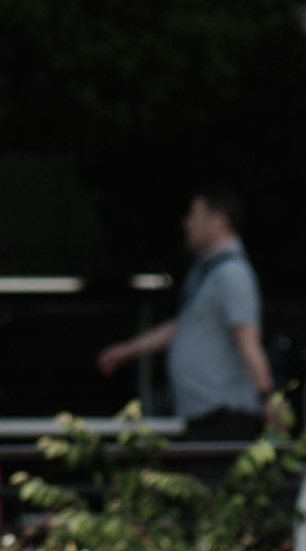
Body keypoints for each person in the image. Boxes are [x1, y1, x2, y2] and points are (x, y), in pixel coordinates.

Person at [97, 189, 282, 440]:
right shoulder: (205, 272)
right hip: (202, 414)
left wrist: (267, 398)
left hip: (224, 414)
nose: (187, 223)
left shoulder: (232, 273)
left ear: (218, 219)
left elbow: (248, 341)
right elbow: (183, 326)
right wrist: (128, 350)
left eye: (194, 214)